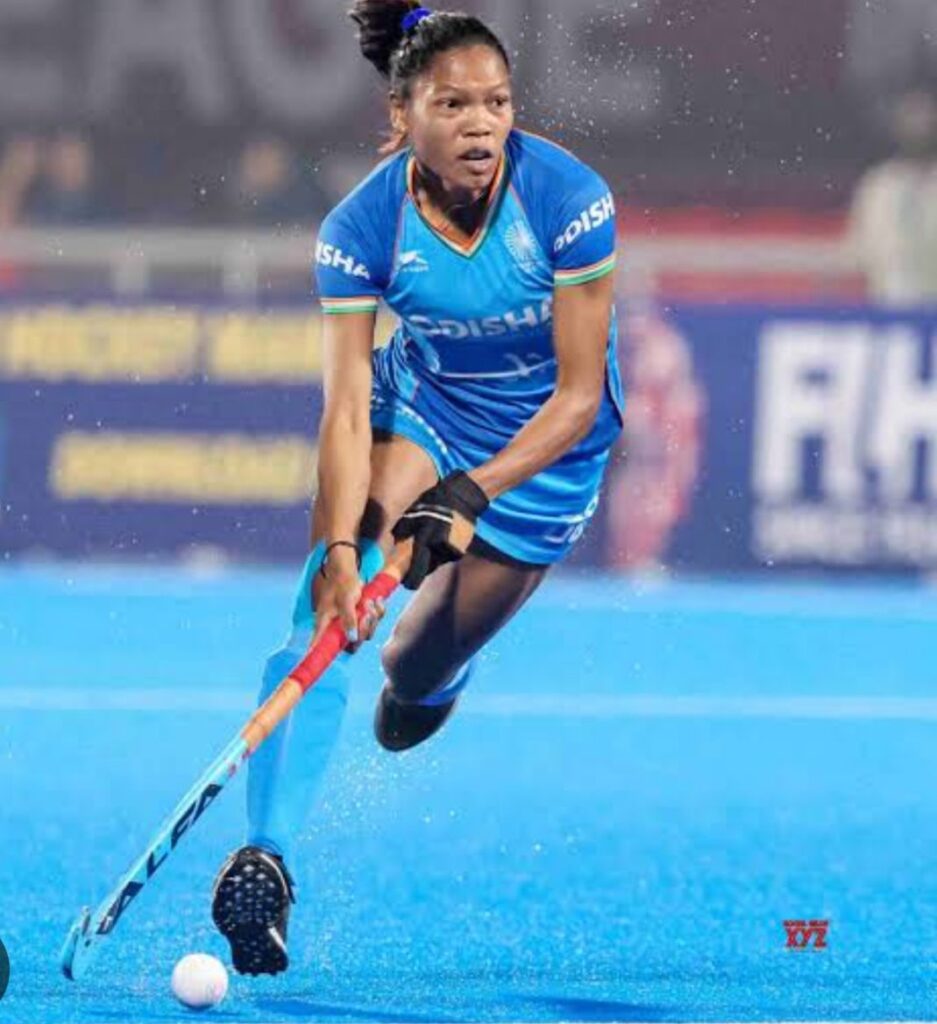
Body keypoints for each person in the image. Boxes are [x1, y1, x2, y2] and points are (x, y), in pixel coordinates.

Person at [211, 0, 625, 976]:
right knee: (325, 610)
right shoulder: (360, 228)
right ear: (402, 116)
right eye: (453, 105)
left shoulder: (567, 198)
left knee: (409, 679)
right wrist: (339, 552)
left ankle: (434, 674)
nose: (482, 125)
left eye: (497, 102)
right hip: (424, 410)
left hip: (544, 455)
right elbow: (345, 411)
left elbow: (577, 399)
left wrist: (470, 493)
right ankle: (267, 857)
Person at [850, 88, 937, 306]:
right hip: (890, 307)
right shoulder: (879, 185)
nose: (918, 125)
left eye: (925, 117)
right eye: (911, 117)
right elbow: (858, 252)